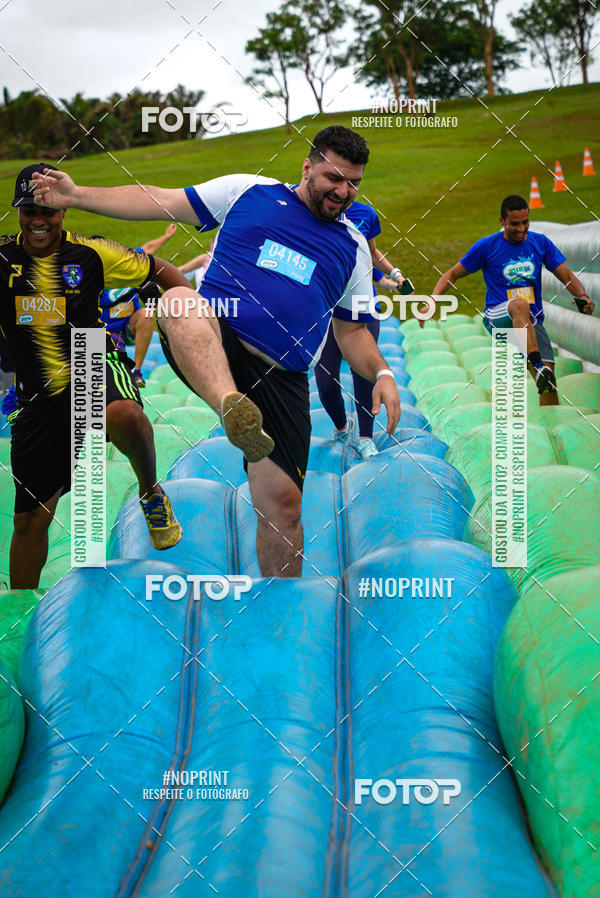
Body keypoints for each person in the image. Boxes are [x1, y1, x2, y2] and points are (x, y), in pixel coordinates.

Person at [32, 126, 402, 578]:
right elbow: (159, 200)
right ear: (307, 166)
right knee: (177, 298)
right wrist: (77, 195)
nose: (342, 192)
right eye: (332, 178)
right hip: (215, 341)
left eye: (353, 184)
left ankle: (277, 608)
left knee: (284, 508)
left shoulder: (354, 247)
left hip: (282, 377)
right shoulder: (248, 191)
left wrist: (383, 373)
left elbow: (353, 333)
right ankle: (230, 404)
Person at [2, 163, 189, 588]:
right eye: (29, 210)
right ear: (18, 212)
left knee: (122, 414)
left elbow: (156, 268)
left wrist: (193, 310)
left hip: (91, 361)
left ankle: (150, 492)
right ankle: (18, 613)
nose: (38, 221)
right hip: (37, 392)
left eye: (47, 211)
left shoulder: (89, 254)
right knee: (30, 521)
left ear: (62, 211)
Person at [430, 195, 594, 406]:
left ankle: (548, 408)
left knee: (548, 384)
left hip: (529, 321)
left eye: (525, 222)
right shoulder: (487, 247)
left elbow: (567, 276)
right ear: (502, 221)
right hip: (497, 316)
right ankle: (536, 364)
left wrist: (582, 296)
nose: (521, 228)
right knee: (519, 305)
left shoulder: (540, 243)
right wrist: (433, 300)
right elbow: (452, 274)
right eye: (514, 224)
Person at [314, 198, 411, 459]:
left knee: (364, 376)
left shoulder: (365, 213)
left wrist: (395, 274)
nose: (346, 189)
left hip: (361, 305)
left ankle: (366, 437)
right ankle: (342, 427)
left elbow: (373, 253)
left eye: (353, 182)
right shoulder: (311, 210)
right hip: (325, 308)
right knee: (325, 381)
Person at [99, 280, 160, 386]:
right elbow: (105, 299)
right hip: (106, 331)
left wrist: (151, 295)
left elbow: (153, 292)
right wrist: (135, 285)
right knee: (117, 373)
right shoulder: (98, 271)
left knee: (147, 314)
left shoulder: (132, 270)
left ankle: (136, 370)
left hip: (129, 326)